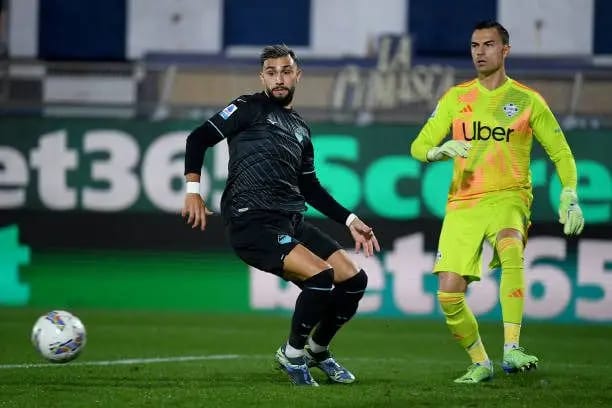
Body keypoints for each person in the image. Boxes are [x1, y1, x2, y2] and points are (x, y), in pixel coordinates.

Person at [181, 44, 380, 386]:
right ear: (262, 77)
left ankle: (318, 350)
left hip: (291, 221)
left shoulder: (301, 129)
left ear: (297, 75)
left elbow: (311, 188)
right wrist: (192, 193)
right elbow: (198, 139)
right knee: (321, 277)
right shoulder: (247, 107)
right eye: (271, 72)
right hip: (252, 221)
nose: (279, 78)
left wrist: (350, 220)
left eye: (285, 71)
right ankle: (292, 356)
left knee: (353, 281)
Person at [410, 20, 584, 383]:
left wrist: (569, 193)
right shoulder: (456, 98)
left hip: (510, 195)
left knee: (510, 246)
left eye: (488, 45)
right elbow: (418, 146)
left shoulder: (527, 100)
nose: (480, 52)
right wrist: (437, 151)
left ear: (505, 50)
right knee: (448, 293)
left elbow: (561, 153)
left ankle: (512, 348)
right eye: (474, 45)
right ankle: (480, 362)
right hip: (463, 202)